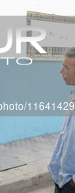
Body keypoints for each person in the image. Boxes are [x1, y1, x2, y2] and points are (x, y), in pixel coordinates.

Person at [48, 47, 75, 193]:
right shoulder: (72, 96)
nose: (61, 71)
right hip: (61, 179)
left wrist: (73, 182)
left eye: (66, 67)